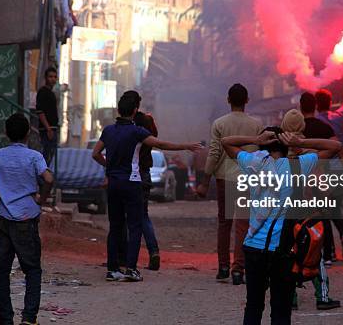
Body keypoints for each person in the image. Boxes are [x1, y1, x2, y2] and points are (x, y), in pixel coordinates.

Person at [222, 128, 342, 325]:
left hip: (253, 247)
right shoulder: (298, 166)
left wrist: (254, 138)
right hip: (283, 251)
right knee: (281, 311)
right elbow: (335, 146)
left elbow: (226, 141)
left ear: (263, 146)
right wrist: (299, 142)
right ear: (286, 147)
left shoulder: (253, 163)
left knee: (253, 306)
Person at [92, 95, 201, 282]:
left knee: (115, 226)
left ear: (119, 110)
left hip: (114, 183)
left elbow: (95, 153)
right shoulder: (137, 132)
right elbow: (160, 144)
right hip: (132, 181)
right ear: (135, 110)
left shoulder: (108, 131)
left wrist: (109, 167)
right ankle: (131, 269)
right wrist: (185, 146)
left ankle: (112, 269)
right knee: (135, 225)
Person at [0, 113, 54, 325]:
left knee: (2, 271)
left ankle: (5, 319)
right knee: (32, 269)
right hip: (26, 218)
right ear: (27, 133)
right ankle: (28, 318)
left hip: (2, 218)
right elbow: (48, 178)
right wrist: (41, 199)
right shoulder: (35, 157)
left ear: (6, 133)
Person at [196, 83, 263, 285]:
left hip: (224, 178)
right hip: (248, 179)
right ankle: (238, 269)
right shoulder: (256, 125)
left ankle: (223, 266)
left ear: (228, 100)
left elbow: (214, 154)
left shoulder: (219, 124)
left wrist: (205, 182)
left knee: (224, 223)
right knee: (243, 223)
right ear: (247, 101)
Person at [283, 107, 341, 311]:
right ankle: (322, 297)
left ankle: (290, 298)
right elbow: (336, 148)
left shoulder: (277, 156)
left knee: (289, 255)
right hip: (310, 214)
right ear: (304, 127)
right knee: (315, 257)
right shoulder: (311, 156)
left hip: (286, 214)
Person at [314, 60, 343, 261]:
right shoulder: (339, 117)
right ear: (330, 101)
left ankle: (329, 252)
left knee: (325, 210)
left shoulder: (315, 123)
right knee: (334, 207)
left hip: (323, 172)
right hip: (339, 169)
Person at [300, 92, 343, 265]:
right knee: (323, 215)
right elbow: (336, 147)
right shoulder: (324, 127)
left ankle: (306, 251)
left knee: (303, 216)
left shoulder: (297, 129)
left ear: (300, 107)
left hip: (302, 178)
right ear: (315, 106)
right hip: (321, 176)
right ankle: (328, 254)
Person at [122, 90, 161, 271]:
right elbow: (155, 139)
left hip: (126, 172)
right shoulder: (147, 121)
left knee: (126, 216)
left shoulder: (124, 125)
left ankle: (127, 257)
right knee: (142, 215)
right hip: (143, 171)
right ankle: (153, 252)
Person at [36, 66, 59, 165]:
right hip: (47, 130)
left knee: (50, 156)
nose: (53, 79)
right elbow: (40, 112)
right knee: (46, 156)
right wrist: (48, 129)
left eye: (54, 77)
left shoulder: (51, 93)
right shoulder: (43, 92)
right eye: (50, 76)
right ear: (46, 78)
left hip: (52, 128)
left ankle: (44, 178)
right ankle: (41, 178)